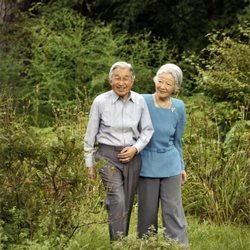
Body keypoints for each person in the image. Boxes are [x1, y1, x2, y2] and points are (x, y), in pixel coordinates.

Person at [84, 61, 154, 241]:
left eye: (126, 79)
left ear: (132, 81)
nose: (121, 83)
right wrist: (89, 164)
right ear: (110, 80)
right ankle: (118, 243)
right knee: (117, 199)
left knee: (127, 202)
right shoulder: (100, 101)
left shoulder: (139, 101)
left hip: (132, 157)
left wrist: (135, 149)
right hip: (107, 156)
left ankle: (120, 239)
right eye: (117, 78)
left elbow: (147, 130)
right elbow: (90, 134)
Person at [137, 63, 189, 248]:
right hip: (146, 165)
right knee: (147, 214)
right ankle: (146, 246)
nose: (163, 86)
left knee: (173, 212)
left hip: (171, 165)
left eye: (168, 83)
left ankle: (178, 247)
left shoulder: (179, 107)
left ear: (176, 88)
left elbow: (177, 140)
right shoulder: (142, 100)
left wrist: (181, 166)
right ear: (155, 81)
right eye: (160, 81)